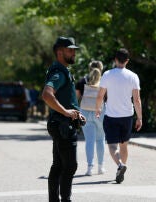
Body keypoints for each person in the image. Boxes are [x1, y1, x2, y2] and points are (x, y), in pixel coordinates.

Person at [42, 36, 86, 202]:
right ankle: (65, 200)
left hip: (60, 123)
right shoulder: (59, 72)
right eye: (70, 50)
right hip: (62, 125)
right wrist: (66, 112)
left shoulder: (61, 69)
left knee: (59, 165)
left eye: (74, 50)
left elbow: (64, 98)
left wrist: (75, 112)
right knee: (70, 165)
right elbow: (47, 94)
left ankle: (54, 200)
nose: (74, 53)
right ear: (60, 52)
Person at [96, 48, 142, 184]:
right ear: (127, 61)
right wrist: (139, 118)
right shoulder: (133, 76)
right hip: (127, 116)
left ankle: (120, 165)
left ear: (115, 60)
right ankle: (121, 168)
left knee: (112, 146)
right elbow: (137, 100)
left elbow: (100, 95)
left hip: (111, 116)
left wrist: (98, 109)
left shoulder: (107, 74)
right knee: (124, 145)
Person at [75, 61, 106, 176]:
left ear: (89, 68)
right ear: (101, 69)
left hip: (85, 113)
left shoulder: (82, 81)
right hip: (100, 112)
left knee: (89, 141)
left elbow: (76, 98)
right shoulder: (104, 82)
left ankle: (89, 168)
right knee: (100, 139)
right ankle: (101, 167)